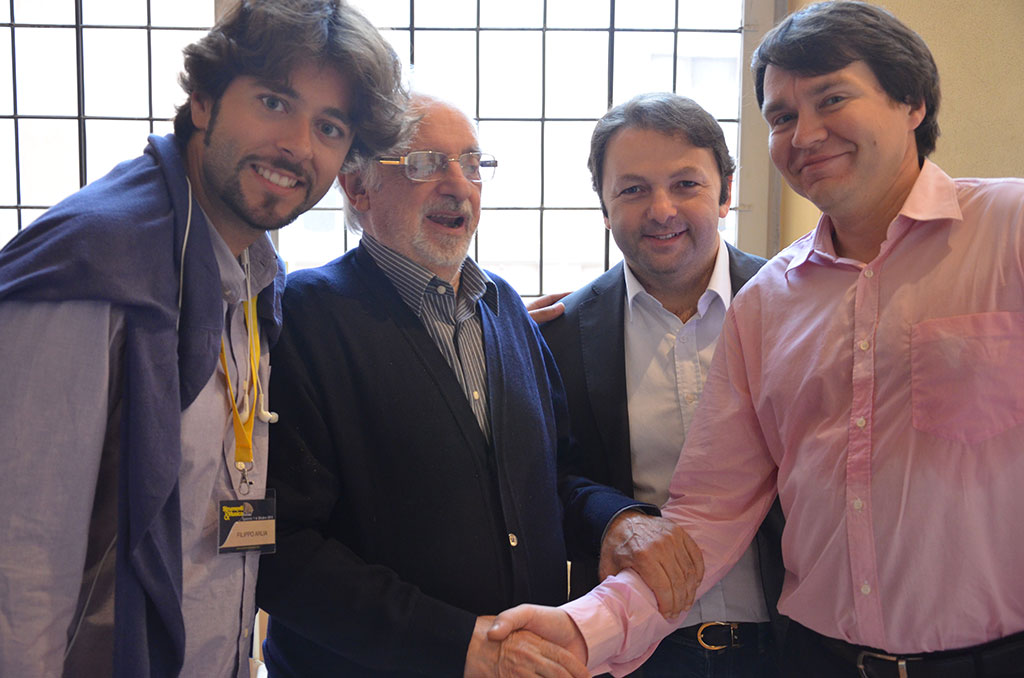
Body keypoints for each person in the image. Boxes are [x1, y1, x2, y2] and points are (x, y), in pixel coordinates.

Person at [487, 2, 1024, 676]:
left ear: (911, 101)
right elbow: (710, 511)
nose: (807, 134)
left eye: (832, 99)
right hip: (820, 661)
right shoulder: (769, 301)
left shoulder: (1008, 230)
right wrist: (583, 629)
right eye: (782, 116)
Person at [0, 2, 405, 676]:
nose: (299, 146)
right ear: (204, 100)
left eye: (329, 127)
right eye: (274, 102)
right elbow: (21, 569)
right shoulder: (93, 265)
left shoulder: (254, 270)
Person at [254, 94, 587, 678]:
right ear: (357, 188)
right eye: (425, 164)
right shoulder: (303, 317)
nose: (458, 186)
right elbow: (276, 545)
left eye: (472, 163)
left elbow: (556, 475)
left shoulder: (504, 308)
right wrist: (460, 644)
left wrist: (622, 519)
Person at [541, 92, 784, 678]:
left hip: (791, 646)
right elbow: (549, 477)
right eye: (632, 189)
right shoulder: (559, 334)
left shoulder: (797, 305)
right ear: (603, 207)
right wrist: (615, 519)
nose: (661, 210)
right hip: (636, 654)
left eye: (685, 184)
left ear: (725, 192)